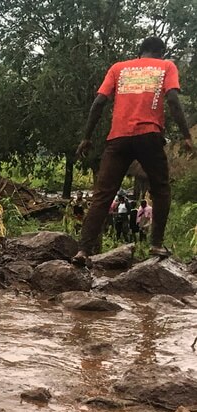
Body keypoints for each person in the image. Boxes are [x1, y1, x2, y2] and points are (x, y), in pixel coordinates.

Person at [73, 36, 194, 264]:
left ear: (140, 52)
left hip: (118, 137)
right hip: (149, 135)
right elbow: (173, 101)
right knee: (161, 189)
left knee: (102, 194)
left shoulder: (118, 68)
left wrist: (86, 137)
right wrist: (187, 136)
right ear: (161, 52)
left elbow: (98, 102)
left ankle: (83, 250)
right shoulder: (167, 66)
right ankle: (156, 245)